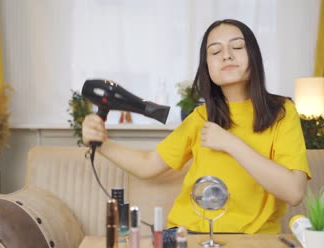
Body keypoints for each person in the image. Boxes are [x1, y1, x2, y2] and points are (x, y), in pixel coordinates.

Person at [82, 19, 311, 234]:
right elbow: (148, 165)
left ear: (254, 55)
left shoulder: (282, 112)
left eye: (237, 47)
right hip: (189, 235)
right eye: (215, 51)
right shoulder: (200, 117)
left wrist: (230, 143)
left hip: (252, 240)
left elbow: (293, 192)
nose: (227, 56)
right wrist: (102, 144)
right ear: (207, 67)